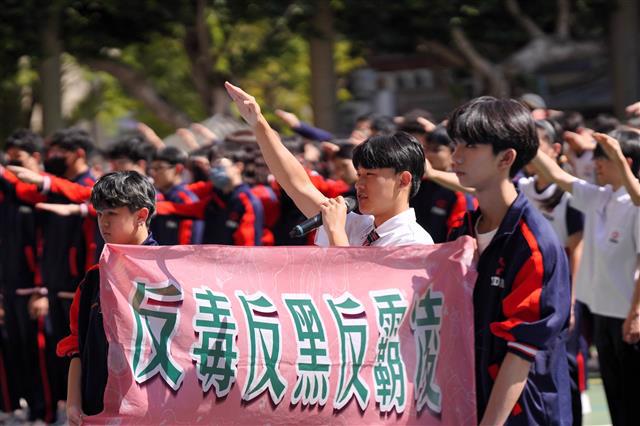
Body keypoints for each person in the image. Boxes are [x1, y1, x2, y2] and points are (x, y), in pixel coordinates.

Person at [446, 97, 571, 425]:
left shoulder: (533, 243)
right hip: (472, 398)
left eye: (471, 146)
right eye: (456, 143)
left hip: (524, 411)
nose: (455, 156)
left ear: (506, 158)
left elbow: (521, 352)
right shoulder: (462, 229)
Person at [225, 81, 433, 247]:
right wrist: (258, 123)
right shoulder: (362, 227)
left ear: (403, 180)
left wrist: (335, 232)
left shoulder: (412, 241)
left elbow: (354, 283)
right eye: (359, 175)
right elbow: (299, 186)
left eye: (370, 175)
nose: (359, 185)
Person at [533, 128, 640, 425]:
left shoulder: (635, 204)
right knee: (616, 395)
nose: (595, 164)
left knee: (634, 397)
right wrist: (523, 140)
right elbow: (556, 174)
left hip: (630, 316)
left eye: (603, 158)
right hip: (603, 313)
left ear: (626, 162)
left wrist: (636, 312)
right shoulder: (599, 196)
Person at [56, 171, 158, 425]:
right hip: (99, 409)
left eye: (111, 213)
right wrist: (73, 403)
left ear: (141, 216)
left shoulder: (169, 274)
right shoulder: (94, 279)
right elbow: (77, 344)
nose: (103, 223)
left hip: (155, 411)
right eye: (99, 214)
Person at [148, 146, 203, 245]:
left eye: (159, 168)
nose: (153, 173)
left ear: (178, 169)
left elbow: (188, 245)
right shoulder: (156, 196)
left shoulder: (186, 200)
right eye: (152, 168)